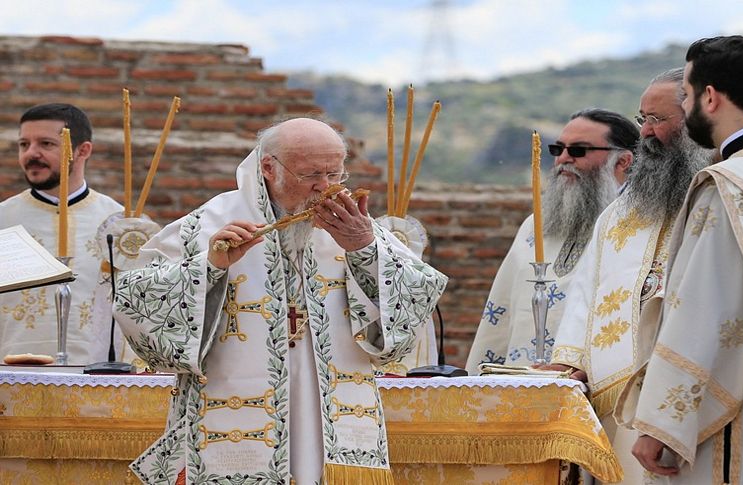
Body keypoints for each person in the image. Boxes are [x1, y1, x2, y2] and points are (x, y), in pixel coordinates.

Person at [113, 117, 448, 484]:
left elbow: (418, 295)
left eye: (335, 174)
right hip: (235, 418)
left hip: (331, 422)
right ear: (269, 167)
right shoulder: (206, 227)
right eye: (311, 175)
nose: (325, 188)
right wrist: (209, 268)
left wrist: (366, 250)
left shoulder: (355, 227)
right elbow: (135, 300)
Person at [621, 35, 743, 484]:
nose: (689, 102)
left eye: (687, 94)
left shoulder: (730, 185)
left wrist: (662, 422)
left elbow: (705, 309)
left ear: (709, 98)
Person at [546, 69, 714, 483]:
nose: (648, 134)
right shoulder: (621, 213)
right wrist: (569, 361)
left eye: (659, 119)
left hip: (691, 401)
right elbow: (587, 291)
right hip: (613, 403)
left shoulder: (717, 198)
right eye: (643, 120)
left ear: (694, 118)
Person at [465, 108, 639, 373]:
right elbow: (500, 315)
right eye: (559, 150)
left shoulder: (635, 231)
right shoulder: (534, 227)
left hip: (589, 387)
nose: (564, 160)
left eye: (579, 150)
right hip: (515, 383)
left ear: (623, 161)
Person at [0, 103, 126, 365]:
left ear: (83, 150)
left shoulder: (121, 224)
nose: (31, 154)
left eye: (45, 144)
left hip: (96, 381)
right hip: (9, 377)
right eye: (24, 145)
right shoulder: (4, 219)